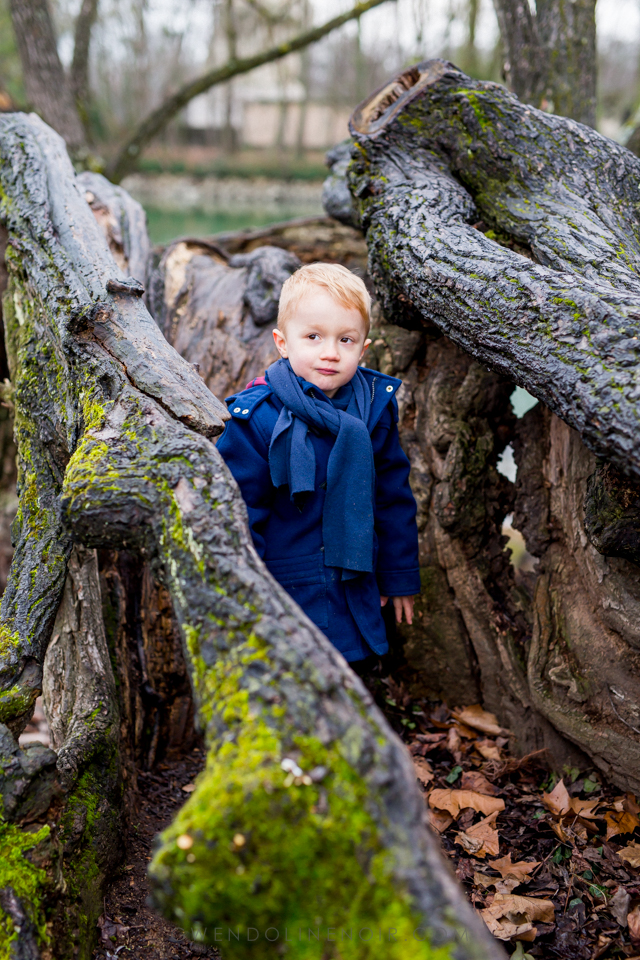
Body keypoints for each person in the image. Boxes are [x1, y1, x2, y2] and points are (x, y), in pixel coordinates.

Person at [216, 262, 420, 665]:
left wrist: (398, 578)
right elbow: (239, 514)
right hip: (287, 588)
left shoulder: (374, 408)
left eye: (345, 340)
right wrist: (247, 602)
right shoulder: (255, 418)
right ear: (282, 342)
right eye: (313, 337)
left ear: (363, 349)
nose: (330, 352)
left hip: (355, 585)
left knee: (353, 679)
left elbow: (392, 497)